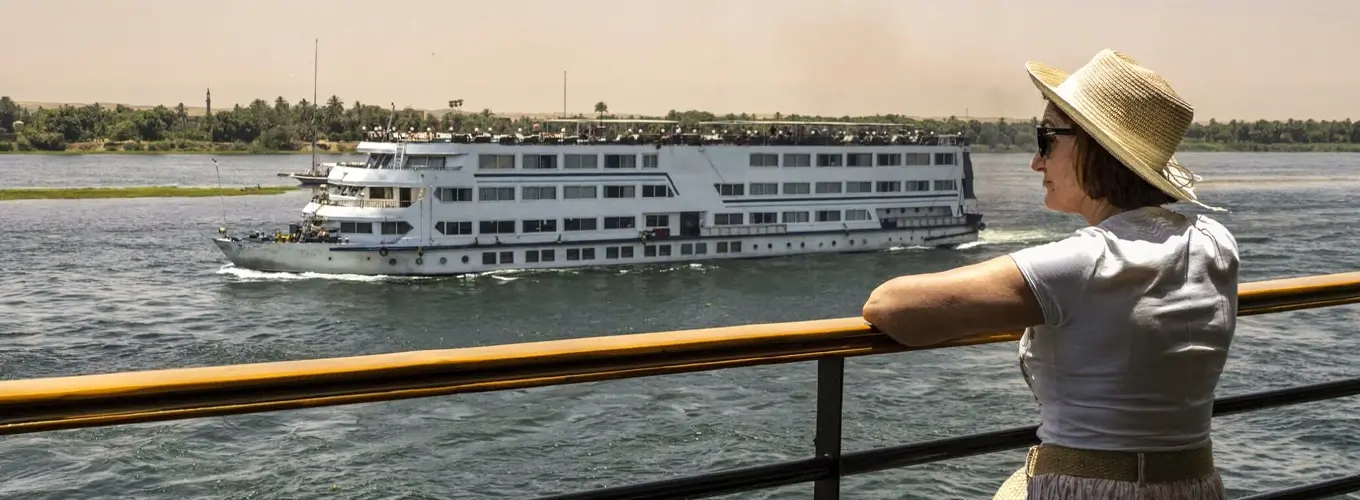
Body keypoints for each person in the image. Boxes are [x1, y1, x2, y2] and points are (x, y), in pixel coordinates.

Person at [861, 49, 1239, 499]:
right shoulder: (1216, 242)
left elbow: (889, 306)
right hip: (1194, 487)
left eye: (1045, 139)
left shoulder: (1083, 264)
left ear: (1093, 148)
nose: (1035, 162)